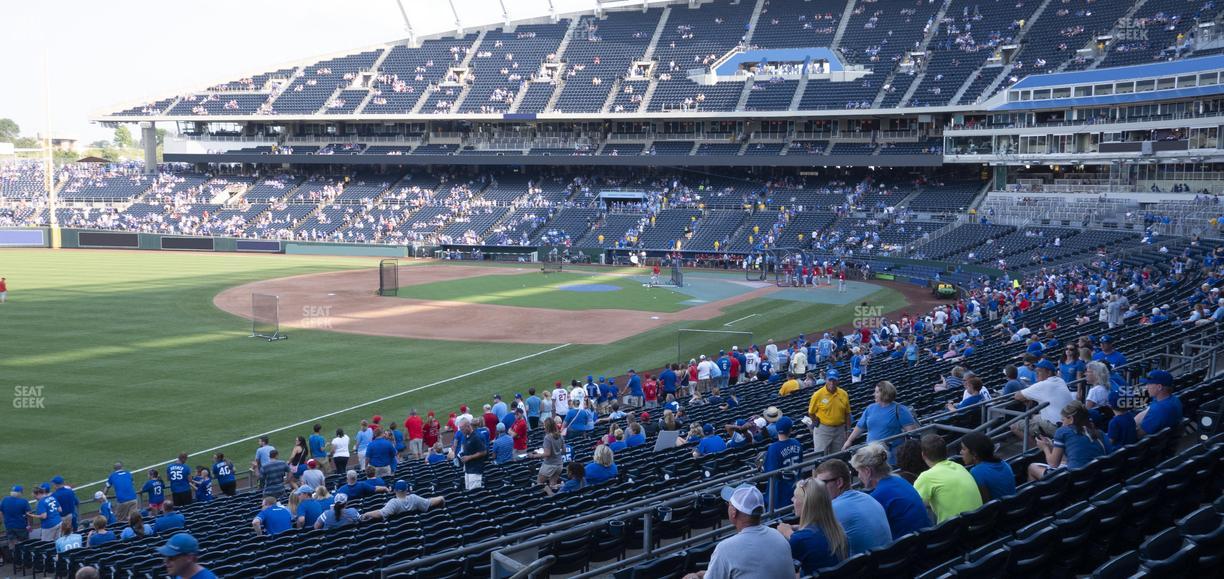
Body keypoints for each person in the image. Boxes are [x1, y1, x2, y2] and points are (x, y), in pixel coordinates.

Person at [681, 484, 793, 579]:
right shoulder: (779, 537)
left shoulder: (726, 549)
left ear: (733, 512)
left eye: (729, 504)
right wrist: (704, 574)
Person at [849, 444, 930, 539]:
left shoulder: (877, 497)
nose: (859, 476)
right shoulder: (900, 480)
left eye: (859, 471)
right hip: (925, 538)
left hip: (911, 547)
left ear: (867, 471)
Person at [814, 459, 892, 554]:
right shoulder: (867, 497)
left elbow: (809, 540)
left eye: (821, 484)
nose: (817, 489)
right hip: (888, 561)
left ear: (839, 482)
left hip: (869, 566)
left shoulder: (832, 509)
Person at [776, 478, 848, 575]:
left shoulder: (800, 539)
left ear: (806, 504)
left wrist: (787, 532)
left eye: (795, 497)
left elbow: (779, 572)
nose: (792, 499)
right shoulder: (838, 530)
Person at [1029, 401, 1109, 480]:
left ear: (1071, 418)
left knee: (1032, 467)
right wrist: (1052, 446)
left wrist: (1045, 447)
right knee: (1063, 462)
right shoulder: (1099, 432)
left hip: (1074, 480)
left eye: (1063, 420)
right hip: (1097, 476)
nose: (1062, 424)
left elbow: (1053, 464)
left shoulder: (1062, 431)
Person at [913, 434, 983, 522]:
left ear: (923, 455)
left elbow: (913, 508)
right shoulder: (959, 467)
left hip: (957, 532)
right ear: (946, 452)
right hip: (981, 525)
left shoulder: (926, 477)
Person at [842, 381, 918, 455]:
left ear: (885, 393)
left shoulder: (900, 409)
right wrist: (849, 441)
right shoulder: (870, 408)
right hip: (872, 453)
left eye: (877, 392)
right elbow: (860, 427)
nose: (874, 394)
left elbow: (912, 432)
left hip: (892, 454)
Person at [1012, 359, 1073, 443]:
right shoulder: (1060, 380)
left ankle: (1042, 450)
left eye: (1039, 371)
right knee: (1034, 416)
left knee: (1014, 426)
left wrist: (1026, 398)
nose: (1036, 374)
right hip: (1068, 423)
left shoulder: (1043, 385)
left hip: (1056, 426)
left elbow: (1017, 396)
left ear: (1049, 373)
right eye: (1036, 371)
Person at [959, 432, 1016, 502]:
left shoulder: (976, 472)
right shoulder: (1004, 463)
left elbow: (986, 504)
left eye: (963, 449)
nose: (960, 452)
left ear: (974, 453)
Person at [763, 416, 803, 510]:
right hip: (796, 487)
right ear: (790, 430)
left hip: (779, 493)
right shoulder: (796, 443)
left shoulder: (773, 448)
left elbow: (769, 472)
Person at [808, 370, 851, 455]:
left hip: (839, 430)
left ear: (838, 380)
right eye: (830, 380)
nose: (832, 383)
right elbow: (811, 412)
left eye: (834, 380)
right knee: (820, 456)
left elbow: (847, 413)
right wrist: (815, 421)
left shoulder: (844, 394)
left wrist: (848, 431)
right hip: (823, 429)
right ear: (826, 380)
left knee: (838, 456)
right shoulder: (818, 394)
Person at [361, 480, 444, 521]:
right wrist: (441, 498)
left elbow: (381, 513)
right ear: (407, 490)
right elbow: (430, 502)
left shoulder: (394, 502)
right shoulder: (414, 498)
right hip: (415, 532)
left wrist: (367, 513)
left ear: (395, 490)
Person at [1135, 369, 1182, 436]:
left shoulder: (1160, 410)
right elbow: (1147, 410)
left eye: (1149, 384)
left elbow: (1138, 434)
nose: (1146, 387)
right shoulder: (1173, 399)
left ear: (1159, 387)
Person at [458, 417, 488, 490]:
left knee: (475, 493)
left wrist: (469, 457)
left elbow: (484, 452)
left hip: (475, 470)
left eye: (462, 429)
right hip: (468, 469)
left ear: (468, 426)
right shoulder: (466, 436)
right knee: (468, 491)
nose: (461, 431)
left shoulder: (477, 437)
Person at [2, 486, 30, 559]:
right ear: (19, 493)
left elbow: (1, 512)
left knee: (12, 543)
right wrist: (29, 525)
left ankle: (16, 560)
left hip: (8, 526)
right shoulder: (23, 501)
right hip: (21, 527)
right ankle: (25, 560)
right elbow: (29, 515)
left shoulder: (5, 500)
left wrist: (2, 521)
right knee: (24, 543)